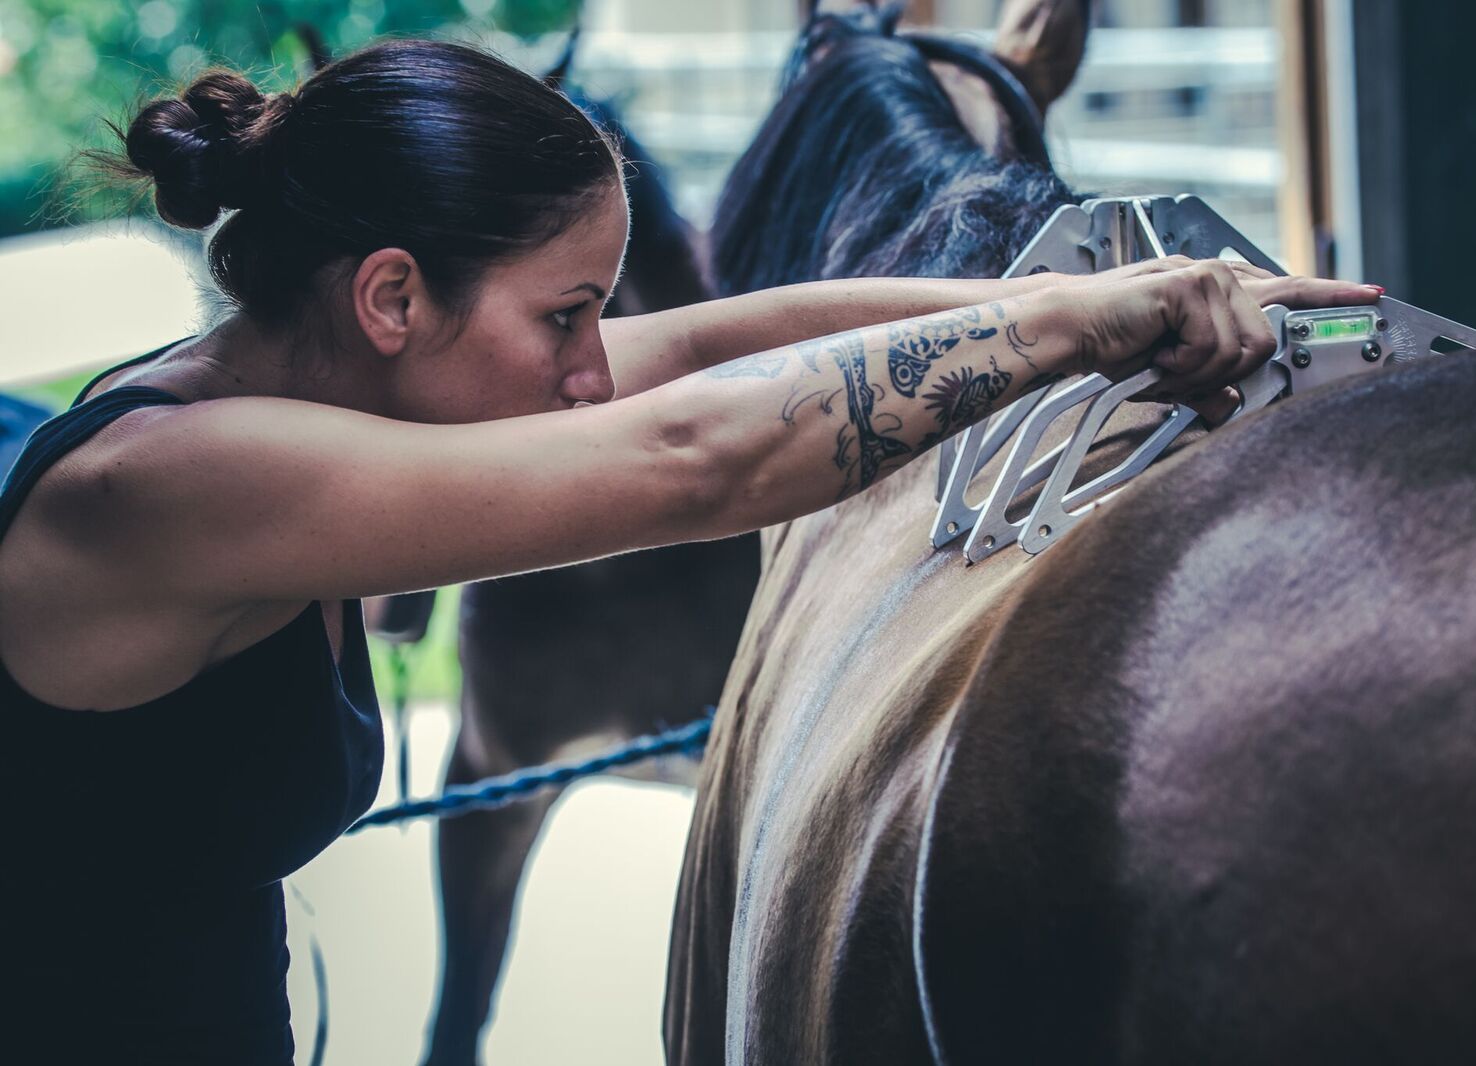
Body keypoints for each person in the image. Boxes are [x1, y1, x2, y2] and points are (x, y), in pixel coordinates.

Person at [0, 36, 1377, 1065]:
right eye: (566, 317)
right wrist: (1072, 331)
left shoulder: (280, 395)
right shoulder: (167, 484)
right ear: (393, 297)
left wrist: (1084, 292)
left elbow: (720, 340)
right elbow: (694, 455)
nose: (595, 370)